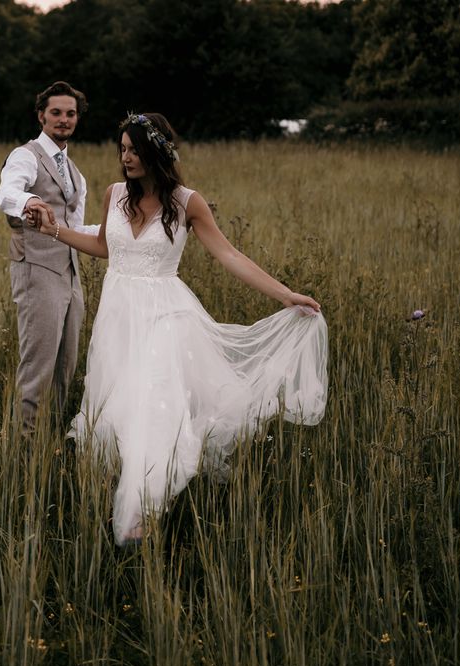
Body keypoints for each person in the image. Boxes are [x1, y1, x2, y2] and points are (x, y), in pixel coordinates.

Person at [33, 113, 328, 545]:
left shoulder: (187, 202)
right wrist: (55, 230)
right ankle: (138, 499)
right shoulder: (115, 194)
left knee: (155, 408)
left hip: (165, 317)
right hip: (118, 321)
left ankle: (141, 514)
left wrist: (286, 295)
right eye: (122, 149)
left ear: (157, 152)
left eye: (134, 150)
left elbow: (229, 256)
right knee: (124, 410)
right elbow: (103, 247)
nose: (125, 158)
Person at [0, 81, 99, 434]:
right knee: (37, 366)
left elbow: (77, 228)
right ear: (41, 115)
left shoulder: (75, 173)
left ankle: (50, 445)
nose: (64, 119)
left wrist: (129, 228)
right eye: (56, 112)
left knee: (65, 367)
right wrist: (29, 201)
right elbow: (7, 191)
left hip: (70, 276)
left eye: (71, 113)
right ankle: (24, 452)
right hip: (36, 270)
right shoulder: (25, 156)